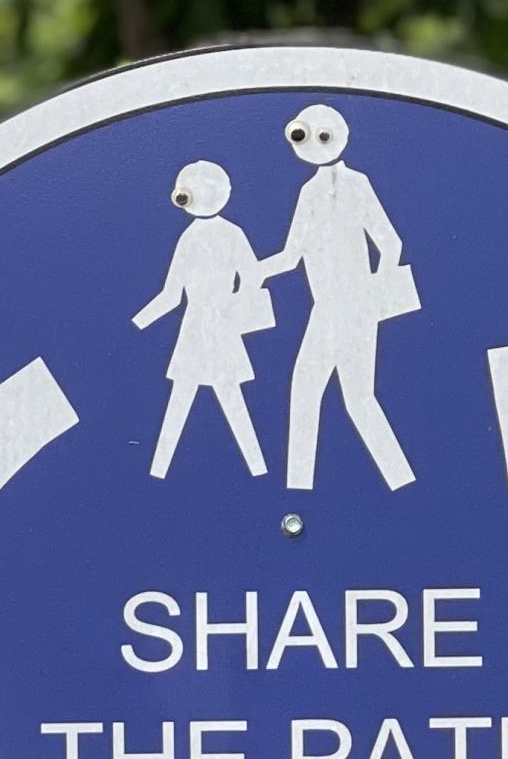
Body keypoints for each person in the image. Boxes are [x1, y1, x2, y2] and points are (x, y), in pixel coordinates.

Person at [258, 102, 418, 491]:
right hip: (325, 308)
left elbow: (390, 242)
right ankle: (301, 489)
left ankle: (401, 482)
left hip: (354, 306)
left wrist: (373, 297)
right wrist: (254, 273)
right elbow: (292, 253)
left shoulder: (357, 184)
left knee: (350, 398)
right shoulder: (308, 192)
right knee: (323, 394)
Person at [130, 160, 272, 479]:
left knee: (188, 401)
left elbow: (171, 295)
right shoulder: (229, 233)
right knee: (222, 399)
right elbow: (253, 277)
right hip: (216, 326)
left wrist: (137, 324)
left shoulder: (191, 238)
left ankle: (159, 471)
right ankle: (257, 469)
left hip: (201, 326)